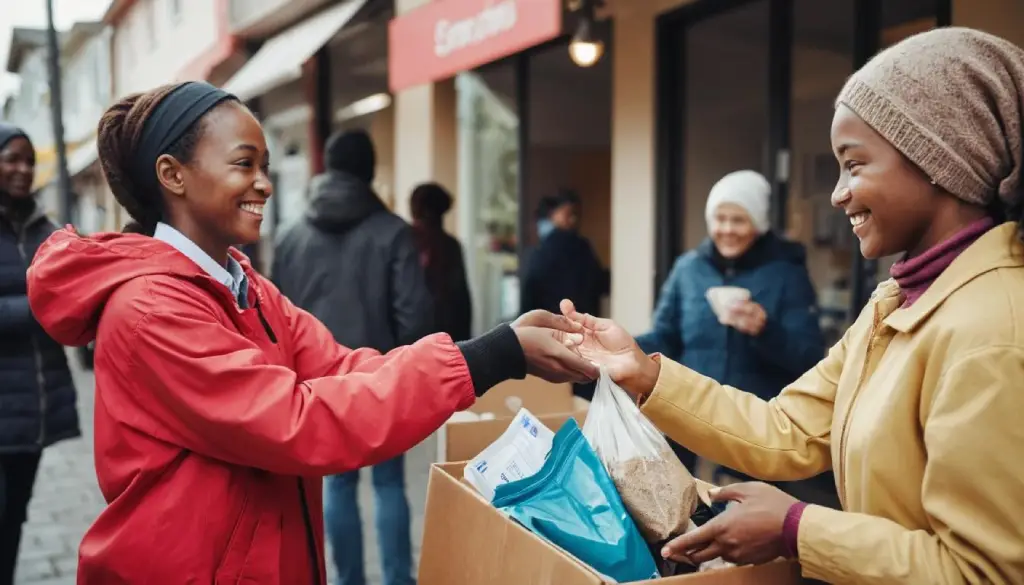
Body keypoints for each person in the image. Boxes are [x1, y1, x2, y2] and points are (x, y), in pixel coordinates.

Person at [24, 81, 598, 584]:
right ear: (173, 175)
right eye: (243, 164)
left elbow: (345, 369)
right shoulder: (151, 308)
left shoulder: (242, 283)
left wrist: (498, 347)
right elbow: (298, 422)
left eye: (266, 165)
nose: (265, 184)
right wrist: (492, 356)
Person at [562, 27, 1024, 584]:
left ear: (940, 160)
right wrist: (643, 372)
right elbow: (790, 428)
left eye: (854, 164)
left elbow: (985, 572)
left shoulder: (994, 332)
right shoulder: (896, 300)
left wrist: (797, 528)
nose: (836, 192)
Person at [272, 128, 434, 585]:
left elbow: (275, 318)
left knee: (336, 485)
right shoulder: (393, 233)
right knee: (388, 485)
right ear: (368, 172)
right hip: (381, 378)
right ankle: (399, 580)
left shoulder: (289, 237)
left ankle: (347, 581)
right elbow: (415, 316)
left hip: (317, 387)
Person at [637, 170, 825, 484]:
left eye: (738, 220)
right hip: (690, 420)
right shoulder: (688, 268)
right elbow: (665, 336)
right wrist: (623, 347)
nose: (726, 230)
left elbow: (809, 358)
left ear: (759, 223)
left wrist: (765, 330)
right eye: (719, 219)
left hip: (754, 431)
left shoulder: (786, 275)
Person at [0, 123, 80, 585]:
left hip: (36, 408)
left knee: (14, 520)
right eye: (11, 158)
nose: (22, 169)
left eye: (28, 160)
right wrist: (40, 306)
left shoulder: (46, 231)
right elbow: (49, 303)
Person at [521, 190, 610, 400]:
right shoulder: (581, 248)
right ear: (552, 215)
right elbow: (601, 284)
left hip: (548, 336)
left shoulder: (539, 252)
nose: (574, 220)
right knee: (584, 397)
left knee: (552, 398)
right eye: (568, 214)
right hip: (583, 335)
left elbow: (529, 295)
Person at [410, 182, 473, 343]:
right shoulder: (450, 245)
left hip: (409, 340)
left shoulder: (404, 241)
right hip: (446, 339)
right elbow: (462, 303)